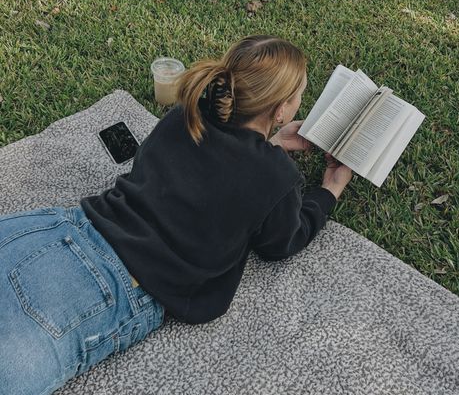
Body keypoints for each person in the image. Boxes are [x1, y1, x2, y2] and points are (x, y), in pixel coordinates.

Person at [0, 34, 352, 395]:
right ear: (280, 110)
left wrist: (270, 145)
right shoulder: (275, 178)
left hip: (54, 230)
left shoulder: (186, 116)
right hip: (113, 286)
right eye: (297, 98)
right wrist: (328, 191)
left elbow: (211, 163)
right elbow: (284, 240)